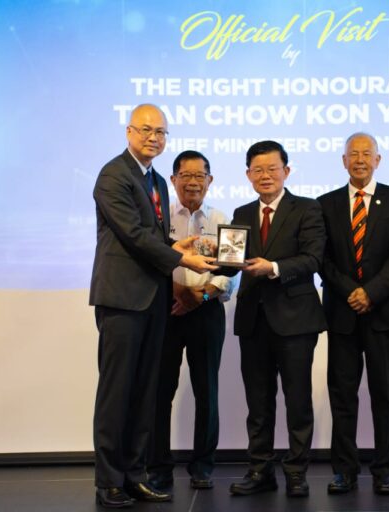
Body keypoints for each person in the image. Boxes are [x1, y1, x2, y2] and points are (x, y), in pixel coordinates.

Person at [89, 104, 217, 508]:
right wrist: (182, 258)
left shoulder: (158, 180)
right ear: (129, 132)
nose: (153, 138)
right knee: (117, 392)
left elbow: (154, 237)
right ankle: (109, 481)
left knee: (145, 392)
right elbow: (132, 235)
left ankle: (135, 475)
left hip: (153, 299)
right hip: (122, 299)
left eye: (160, 132)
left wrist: (178, 245)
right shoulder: (113, 175)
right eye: (146, 130)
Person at [221, 140, 327, 498]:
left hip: (296, 320)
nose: (265, 175)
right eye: (258, 170)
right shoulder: (241, 212)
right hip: (254, 319)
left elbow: (313, 259)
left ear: (287, 171)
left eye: (272, 169)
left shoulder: (307, 208)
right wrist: (210, 256)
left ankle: (296, 472)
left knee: (298, 400)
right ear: (248, 174)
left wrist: (274, 267)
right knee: (258, 402)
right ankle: (260, 469)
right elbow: (231, 262)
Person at [317, 132, 389, 495]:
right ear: (344, 161)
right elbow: (322, 259)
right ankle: (344, 470)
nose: (359, 160)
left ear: (378, 160)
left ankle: (384, 470)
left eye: (366, 154)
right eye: (353, 154)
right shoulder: (325, 203)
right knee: (342, 395)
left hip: (383, 312)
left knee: (384, 395)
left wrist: (370, 293)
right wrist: (351, 292)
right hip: (342, 312)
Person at [148, 150, 236, 492]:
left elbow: (231, 272)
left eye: (200, 176)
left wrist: (201, 296)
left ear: (210, 180)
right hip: (167, 310)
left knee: (207, 391)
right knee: (160, 392)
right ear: (173, 180)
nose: (193, 182)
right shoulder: (160, 219)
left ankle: (202, 466)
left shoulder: (222, 218)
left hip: (206, 311)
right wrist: (179, 292)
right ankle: (158, 467)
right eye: (185, 176)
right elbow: (152, 260)